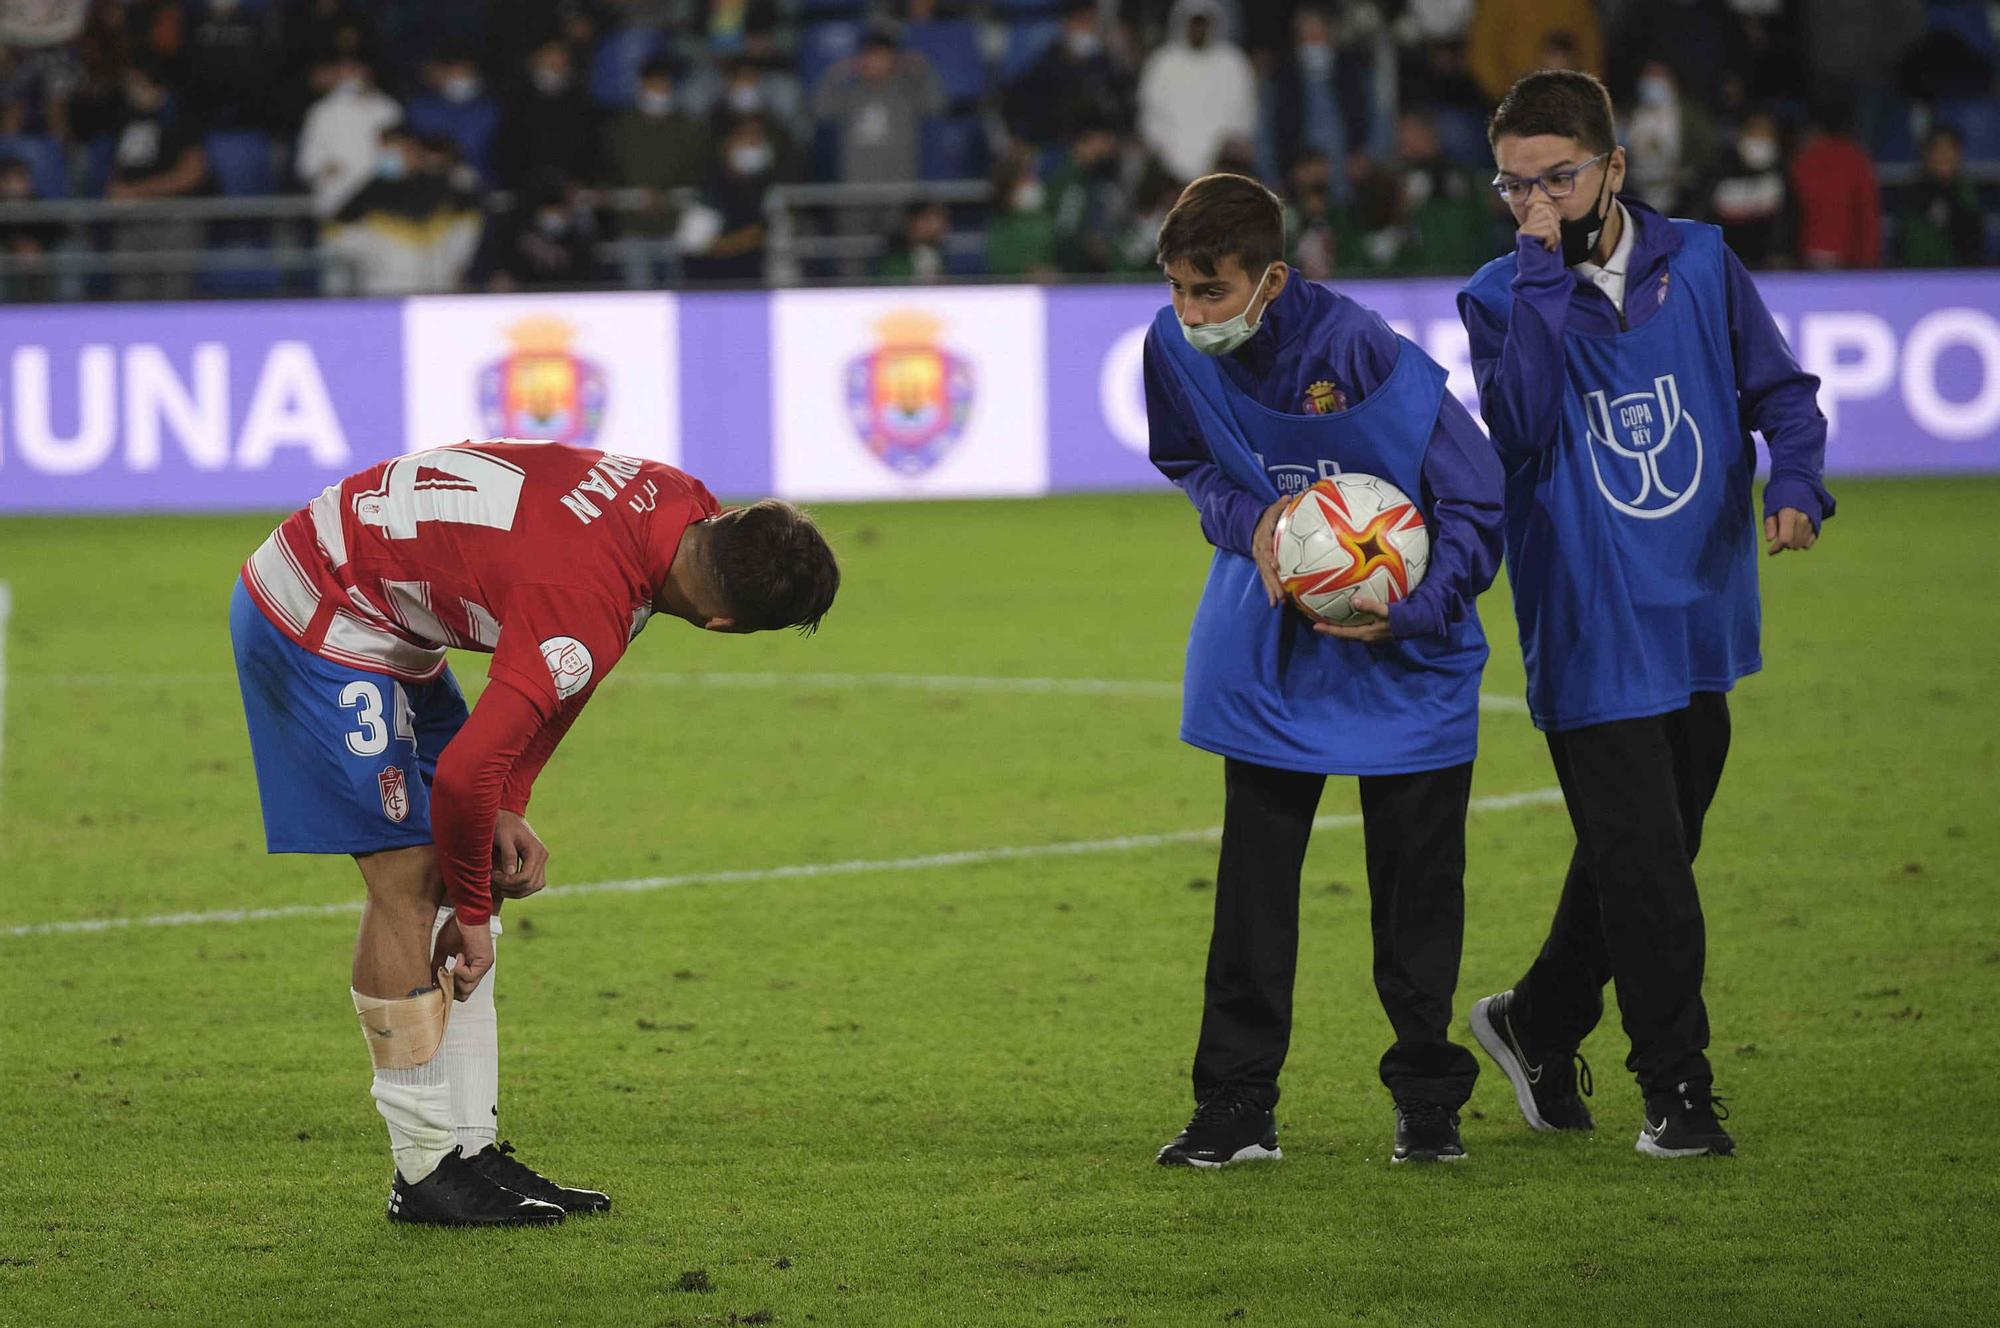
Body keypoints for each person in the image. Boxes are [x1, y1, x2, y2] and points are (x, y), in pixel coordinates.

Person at [230, 441, 840, 1226]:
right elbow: (464, 773)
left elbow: (567, 678)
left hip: (384, 601)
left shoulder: (676, 501)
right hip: (319, 611)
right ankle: (422, 1172)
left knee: (468, 848)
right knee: (414, 878)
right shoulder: (583, 598)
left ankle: (469, 1147)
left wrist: (507, 801)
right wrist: (477, 919)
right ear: (724, 626)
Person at [1457, 70, 1833, 1160]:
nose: (1535, 205)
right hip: (1588, 624)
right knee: (1650, 874)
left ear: (1613, 167)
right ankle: (1676, 1091)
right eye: (1512, 187)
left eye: (1557, 181)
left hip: (1697, 609)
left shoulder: (1703, 262)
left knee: (1647, 856)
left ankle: (1533, 1020)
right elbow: (1522, 426)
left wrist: (1796, 483)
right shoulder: (1497, 294)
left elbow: (1780, 392)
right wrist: (1535, 268)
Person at [1144, 173, 1505, 1168]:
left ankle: (1427, 1103)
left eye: (1208, 292)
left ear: (1270, 279)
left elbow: (1474, 499)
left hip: (1404, 652)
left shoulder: (1361, 351)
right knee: (1250, 891)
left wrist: (1410, 611)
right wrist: (1251, 518)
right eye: (1176, 289)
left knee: (1415, 896)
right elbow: (1188, 463)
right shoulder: (1167, 345)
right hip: (1267, 648)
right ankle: (1235, 1106)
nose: (1187, 313)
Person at [1137, 0, 1257, 184]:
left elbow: (1244, 115)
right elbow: (1150, 114)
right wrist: (1164, 152)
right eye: (1194, 23)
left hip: (1224, 165)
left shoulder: (1232, 62)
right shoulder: (1163, 62)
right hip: (1167, 167)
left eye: (1203, 24)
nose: (1198, 29)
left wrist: (1224, 151)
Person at [1789, 96, 1880, 270]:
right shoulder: (1856, 158)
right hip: (1840, 258)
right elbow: (1868, 216)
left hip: (1812, 255)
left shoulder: (1803, 159)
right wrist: (1869, 262)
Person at [1696, 109, 1790, 270]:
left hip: (1770, 270)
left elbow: (1788, 222)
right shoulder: (1719, 171)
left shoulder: (1783, 174)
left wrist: (1782, 253)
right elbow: (1702, 217)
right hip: (1726, 265)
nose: (1760, 138)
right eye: (1754, 131)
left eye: (1766, 133)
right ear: (1741, 135)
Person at [1897, 127, 1984, 268]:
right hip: (1920, 275)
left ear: (1959, 155)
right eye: (1938, 149)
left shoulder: (1968, 192)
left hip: (1963, 275)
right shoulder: (1912, 193)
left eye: (1949, 149)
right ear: (1927, 154)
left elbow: (1974, 241)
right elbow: (1910, 244)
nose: (1944, 156)